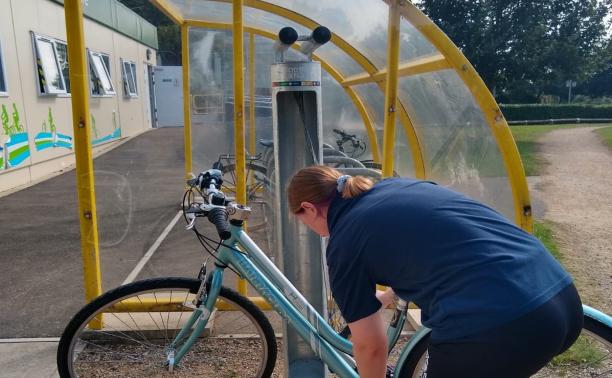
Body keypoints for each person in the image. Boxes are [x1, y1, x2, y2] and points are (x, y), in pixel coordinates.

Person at [287, 165, 583, 378]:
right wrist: (389, 295)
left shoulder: (344, 243)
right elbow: (437, 246)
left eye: (304, 222)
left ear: (308, 209)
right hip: (561, 300)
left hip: (501, 326)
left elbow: (371, 347)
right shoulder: (395, 187)